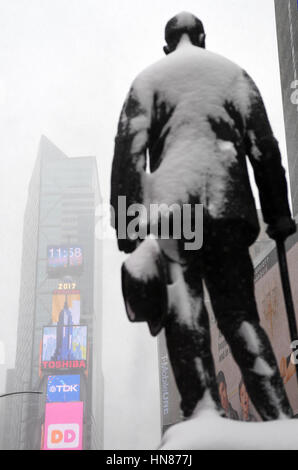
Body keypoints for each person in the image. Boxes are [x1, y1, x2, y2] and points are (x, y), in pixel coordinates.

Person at [110, 11, 296, 420]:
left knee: (185, 311)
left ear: (167, 44)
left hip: (177, 214)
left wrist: (128, 228)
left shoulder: (149, 81)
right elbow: (264, 150)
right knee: (240, 315)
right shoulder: (233, 76)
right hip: (228, 212)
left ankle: (204, 411)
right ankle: (277, 413)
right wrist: (279, 215)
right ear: (203, 38)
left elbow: (128, 154)